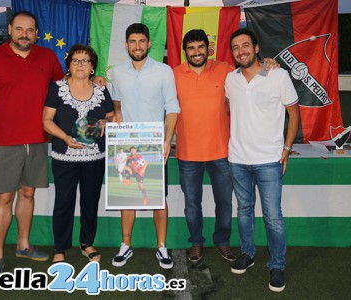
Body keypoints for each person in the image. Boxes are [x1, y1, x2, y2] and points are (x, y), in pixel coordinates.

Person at [0, 11, 64, 274]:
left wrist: (95, 81)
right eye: (20, 29)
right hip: (5, 141)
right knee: (4, 197)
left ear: (37, 33)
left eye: (30, 30)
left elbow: (65, 89)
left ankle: (23, 245)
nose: (25, 34)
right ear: (10, 29)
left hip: (38, 139)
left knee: (28, 192)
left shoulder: (47, 57)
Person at [225, 28, 299, 292]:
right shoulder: (230, 79)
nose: (241, 51)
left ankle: (277, 265)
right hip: (237, 159)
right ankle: (248, 253)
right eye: (236, 47)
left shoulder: (278, 75)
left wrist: (287, 148)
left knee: (273, 217)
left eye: (246, 45)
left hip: (269, 160)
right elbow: (227, 109)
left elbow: (294, 113)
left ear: (256, 48)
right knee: (243, 211)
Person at [111, 23, 180, 269]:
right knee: (127, 197)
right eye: (132, 41)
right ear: (126, 44)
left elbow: (172, 107)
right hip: (127, 141)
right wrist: (118, 113)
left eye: (142, 41)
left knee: (158, 199)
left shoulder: (164, 71)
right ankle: (126, 245)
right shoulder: (118, 72)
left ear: (149, 43)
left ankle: (161, 247)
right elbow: (117, 101)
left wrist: (167, 141)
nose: (137, 46)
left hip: (154, 143)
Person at [43, 44, 114, 263]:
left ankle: (87, 243)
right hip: (64, 156)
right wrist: (65, 138)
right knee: (64, 200)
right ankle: (60, 247)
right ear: (69, 65)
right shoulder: (57, 89)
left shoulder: (101, 90)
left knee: (90, 201)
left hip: (94, 157)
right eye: (76, 60)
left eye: (85, 61)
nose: (80, 64)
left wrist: (105, 121)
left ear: (93, 67)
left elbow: (111, 115)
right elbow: (46, 121)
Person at [173, 29, 235, 263]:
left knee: (225, 202)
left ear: (208, 49)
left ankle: (222, 241)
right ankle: (196, 242)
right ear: (185, 50)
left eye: (201, 47)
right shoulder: (174, 74)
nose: (196, 52)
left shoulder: (225, 69)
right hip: (188, 153)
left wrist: (269, 63)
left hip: (221, 151)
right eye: (191, 48)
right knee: (191, 203)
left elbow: (251, 74)